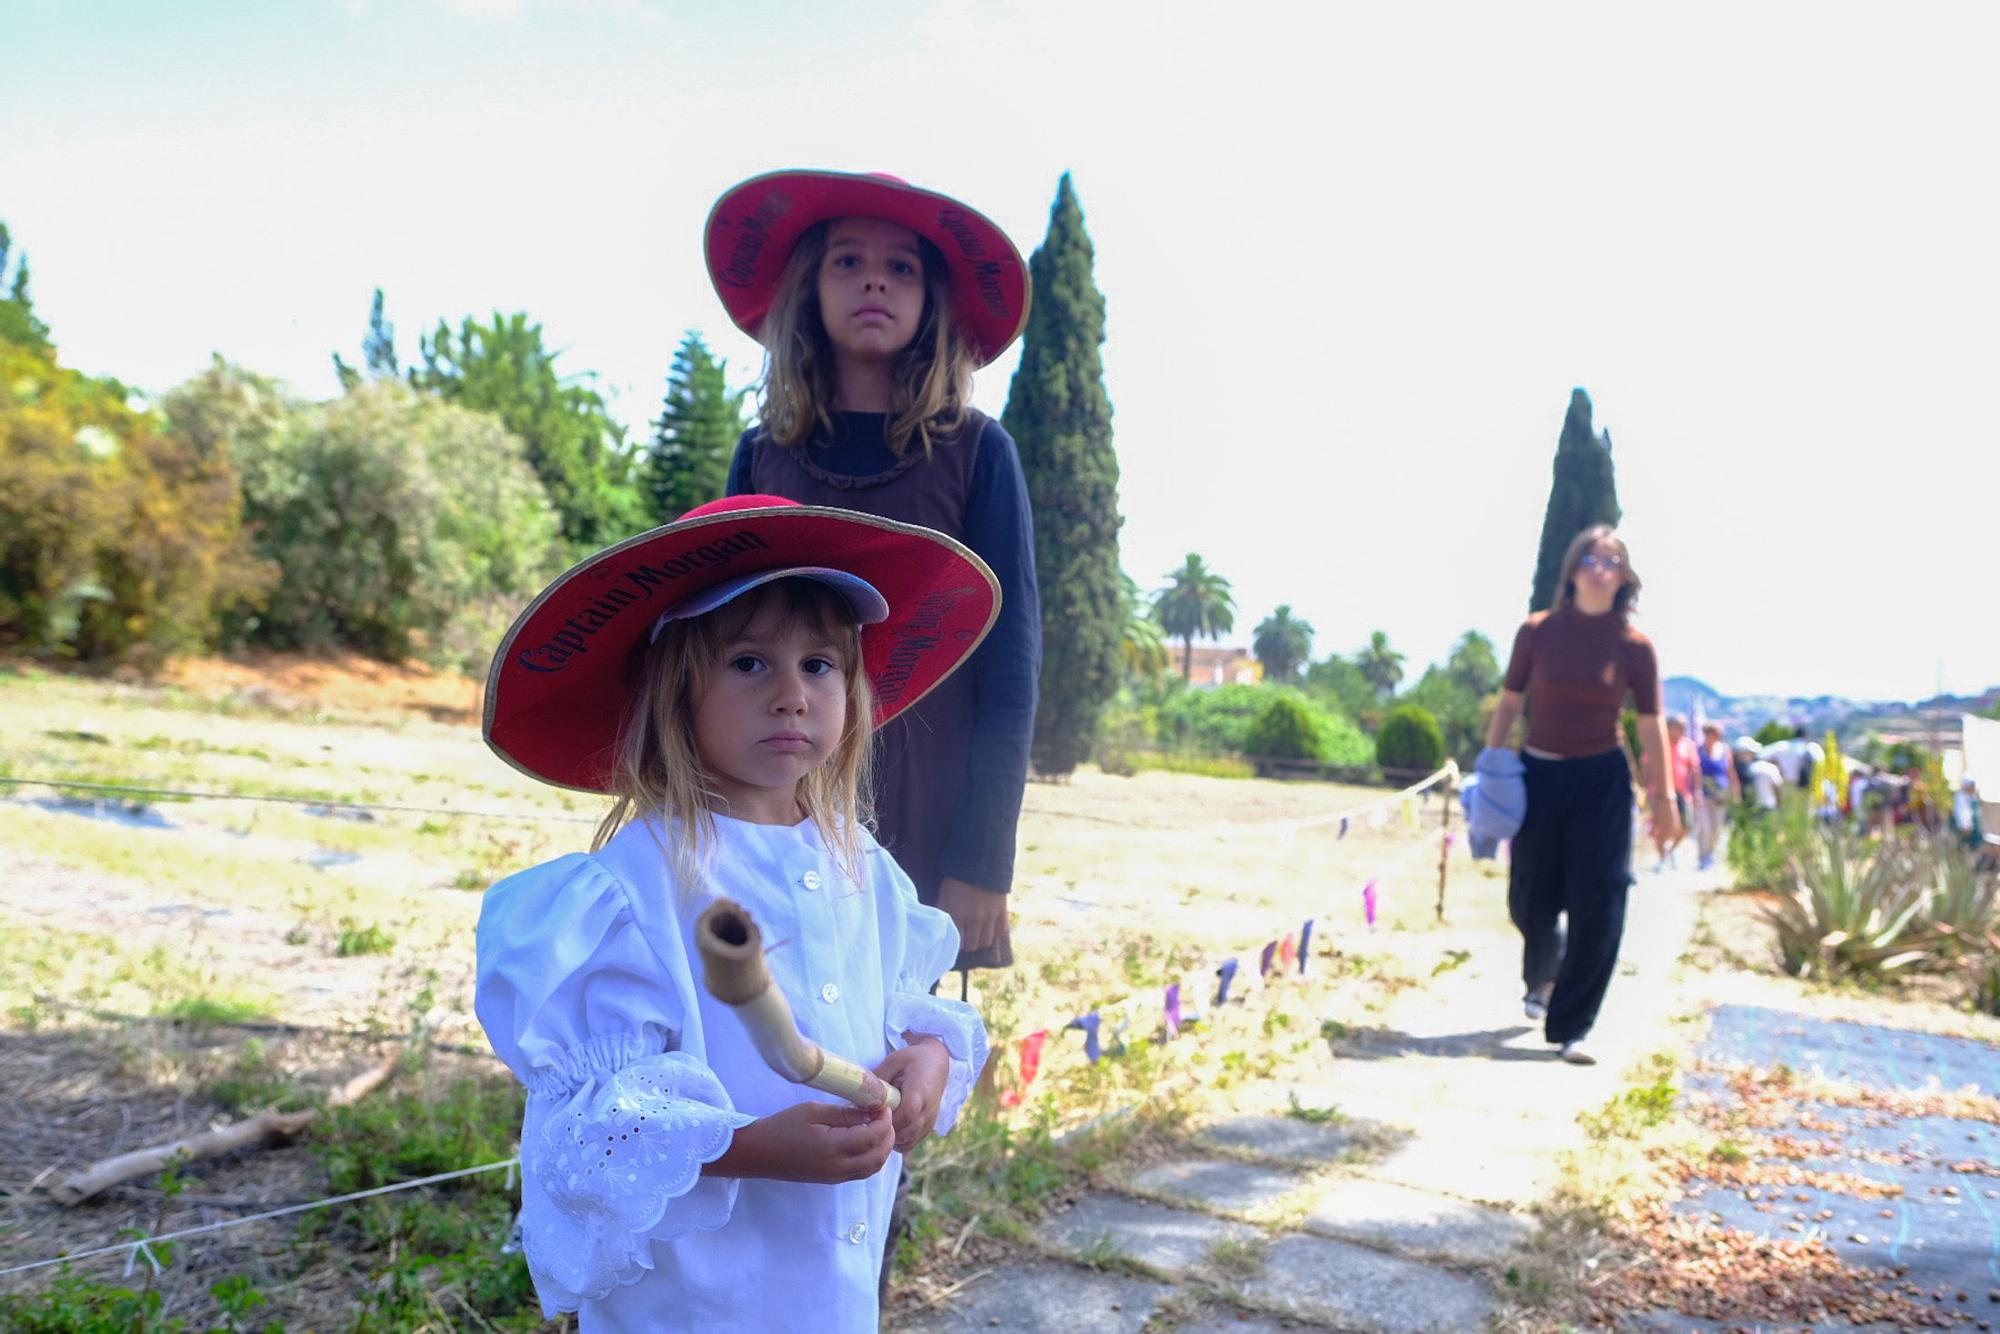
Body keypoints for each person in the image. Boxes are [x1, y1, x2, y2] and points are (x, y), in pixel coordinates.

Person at [474, 495, 995, 1331]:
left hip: (833, 1283)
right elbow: (586, 1127)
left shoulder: (862, 866)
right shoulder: (632, 889)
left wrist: (930, 1054)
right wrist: (744, 1147)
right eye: (750, 663)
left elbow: (907, 1000)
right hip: (699, 1299)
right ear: (676, 689)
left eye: (820, 665)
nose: (792, 694)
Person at [710, 170, 1040, 983]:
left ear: (932, 300)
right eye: (848, 262)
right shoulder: (764, 454)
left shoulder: (977, 453)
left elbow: (1013, 667)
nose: (874, 282)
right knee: (777, 1035)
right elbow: (714, 648)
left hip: (929, 796)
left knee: (903, 1055)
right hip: (779, 790)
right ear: (808, 291)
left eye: (901, 268)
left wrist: (985, 857)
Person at [1484, 525, 1680, 1067]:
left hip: (1603, 783)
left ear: (1624, 578)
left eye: (1612, 561)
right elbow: (1508, 703)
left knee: (1601, 902)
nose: (1601, 567)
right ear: (1572, 571)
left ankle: (1572, 1026)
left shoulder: (1634, 646)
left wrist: (1664, 799)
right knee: (1530, 899)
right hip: (1538, 776)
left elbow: (1650, 725)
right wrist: (1492, 762)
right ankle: (1544, 973)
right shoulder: (1537, 632)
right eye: (1591, 558)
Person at [1695, 720, 1740, 870]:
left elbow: (1730, 771)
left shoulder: (1725, 750)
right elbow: (1694, 772)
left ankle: (1709, 854)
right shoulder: (1698, 750)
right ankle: (1702, 857)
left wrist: (1736, 791)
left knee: (1717, 828)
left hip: (1721, 795)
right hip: (1703, 794)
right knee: (1705, 827)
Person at [1660, 713, 1700, 871]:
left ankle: (1670, 849)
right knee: (1666, 826)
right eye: (1679, 727)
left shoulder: (1688, 745)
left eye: (1684, 727)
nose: (1683, 730)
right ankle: (1663, 857)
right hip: (1663, 791)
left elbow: (1695, 769)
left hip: (1683, 792)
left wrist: (1697, 791)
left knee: (1686, 825)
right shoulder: (1660, 742)